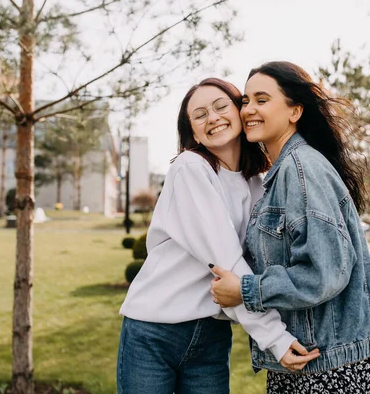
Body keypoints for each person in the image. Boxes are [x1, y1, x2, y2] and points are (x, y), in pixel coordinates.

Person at [117, 78, 320, 394]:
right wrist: (275, 338)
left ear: (240, 111)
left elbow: (261, 262)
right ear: (193, 133)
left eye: (221, 106)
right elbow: (225, 261)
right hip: (154, 332)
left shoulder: (256, 182)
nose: (212, 118)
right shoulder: (190, 169)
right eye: (199, 115)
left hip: (211, 335)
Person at [210, 62, 370, 393]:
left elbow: (324, 271)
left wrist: (246, 290)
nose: (248, 110)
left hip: (324, 369)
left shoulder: (301, 169)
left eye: (262, 99)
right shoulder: (285, 170)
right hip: (307, 360)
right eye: (245, 101)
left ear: (295, 111)